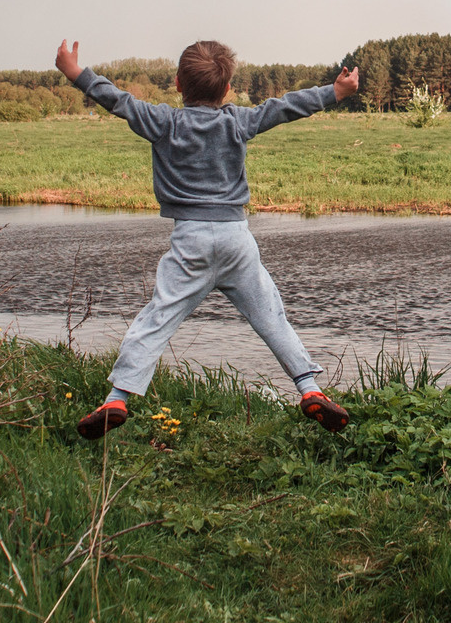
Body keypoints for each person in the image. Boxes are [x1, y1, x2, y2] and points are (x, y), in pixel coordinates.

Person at [55, 37, 360, 439]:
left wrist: (76, 72)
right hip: (236, 240)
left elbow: (118, 101)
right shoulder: (238, 121)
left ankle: (117, 398)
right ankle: (309, 389)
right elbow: (285, 107)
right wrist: (336, 91)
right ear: (228, 89)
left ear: (178, 84)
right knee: (271, 316)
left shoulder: (163, 122)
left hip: (191, 241)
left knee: (157, 318)